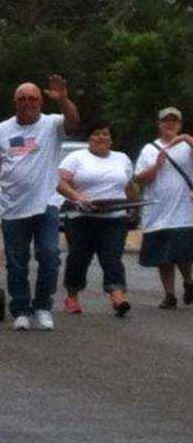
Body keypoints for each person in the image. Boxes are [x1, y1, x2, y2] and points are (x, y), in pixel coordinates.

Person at [0, 76, 80, 331]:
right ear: (15, 103)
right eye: (22, 99)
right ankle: (21, 309)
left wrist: (64, 99)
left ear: (41, 101)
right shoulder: (1, 130)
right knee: (17, 260)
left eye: (33, 98)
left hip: (46, 203)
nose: (27, 103)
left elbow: (74, 124)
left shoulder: (52, 125)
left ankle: (43, 306)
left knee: (49, 254)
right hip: (12, 205)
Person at [57, 120, 136, 317]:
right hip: (81, 217)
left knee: (112, 257)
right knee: (79, 257)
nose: (101, 137)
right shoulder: (76, 158)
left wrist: (134, 207)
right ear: (89, 139)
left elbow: (128, 186)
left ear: (111, 140)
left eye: (105, 134)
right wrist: (77, 197)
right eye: (96, 134)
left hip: (114, 217)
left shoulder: (122, 159)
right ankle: (72, 295)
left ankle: (117, 296)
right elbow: (59, 182)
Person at [134, 107, 193, 310]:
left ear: (180, 124)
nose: (170, 124)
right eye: (166, 121)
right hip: (157, 212)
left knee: (183, 254)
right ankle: (169, 295)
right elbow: (139, 178)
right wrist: (156, 166)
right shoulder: (150, 149)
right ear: (159, 124)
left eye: (174, 121)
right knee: (163, 258)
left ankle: (188, 281)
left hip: (184, 211)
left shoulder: (187, 146)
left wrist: (187, 138)